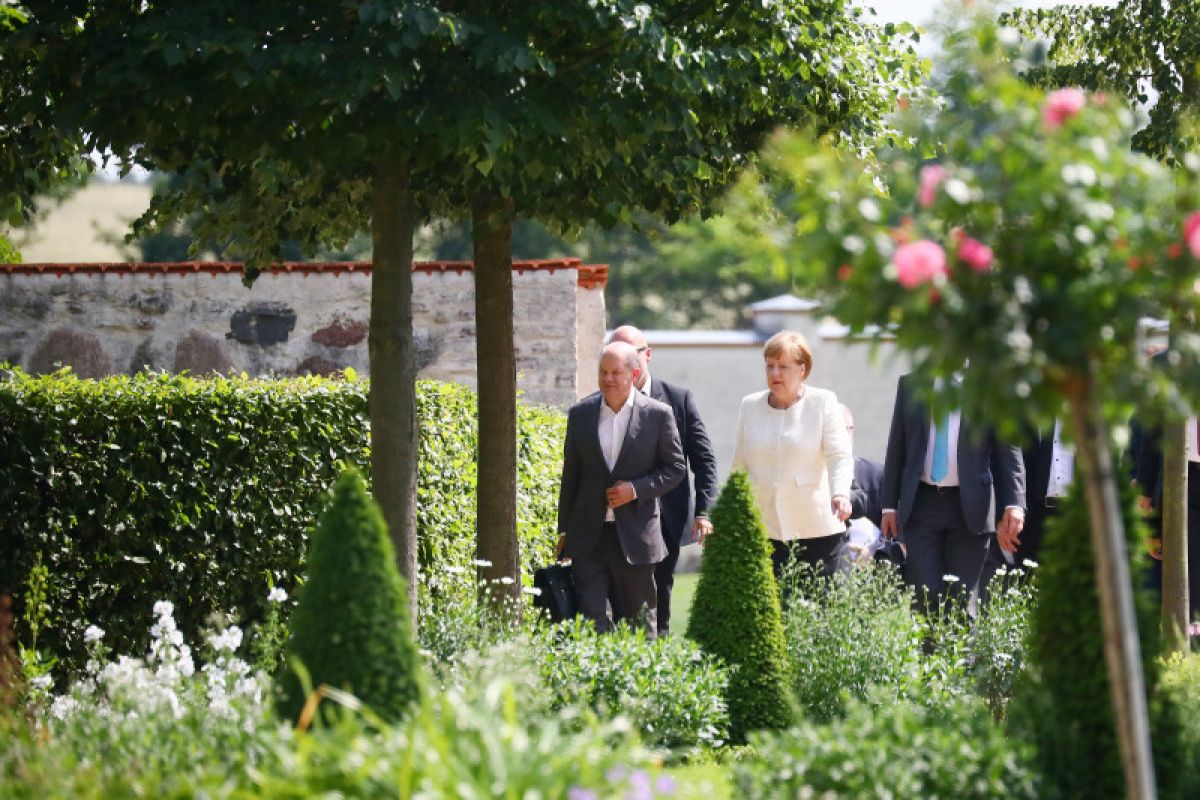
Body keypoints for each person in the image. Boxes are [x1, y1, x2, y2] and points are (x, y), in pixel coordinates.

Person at [557, 341, 686, 638]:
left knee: (639, 625)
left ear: (634, 373)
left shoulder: (657, 415)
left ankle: (644, 683)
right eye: (603, 372)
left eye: (616, 372)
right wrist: (564, 531)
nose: (608, 379)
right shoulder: (581, 414)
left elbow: (676, 469)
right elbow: (571, 476)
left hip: (636, 537)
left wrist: (636, 489)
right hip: (589, 536)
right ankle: (594, 682)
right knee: (591, 621)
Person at [880, 371, 1026, 615]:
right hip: (921, 505)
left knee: (961, 604)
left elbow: (1008, 447)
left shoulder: (990, 387)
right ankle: (930, 654)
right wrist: (889, 506)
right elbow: (897, 444)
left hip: (970, 508)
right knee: (925, 598)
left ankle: (960, 655)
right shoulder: (911, 385)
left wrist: (1014, 503)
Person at [607, 325, 718, 636]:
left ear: (648, 355)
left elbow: (704, 460)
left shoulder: (678, 400)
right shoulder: (602, 404)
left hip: (666, 520)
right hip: (617, 521)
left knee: (660, 601)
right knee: (619, 604)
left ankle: (657, 667)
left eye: (633, 355)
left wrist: (704, 511)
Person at [730, 330, 853, 582]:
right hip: (765, 530)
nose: (774, 374)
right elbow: (739, 465)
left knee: (819, 612)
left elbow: (839, 455)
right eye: (769, 366)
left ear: (803, 370)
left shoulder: (823, 402)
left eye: (783, 367)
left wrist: (840, 493)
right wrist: (730, 513)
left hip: (816, 530)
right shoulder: (749, 405)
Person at [840, 404, 886, 563]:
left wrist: (873, 550)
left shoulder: (878, 476)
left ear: (851, 431)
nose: (836, 437)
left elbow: (898, 532)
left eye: (842, 429)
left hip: (876, 572)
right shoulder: (811, 482)